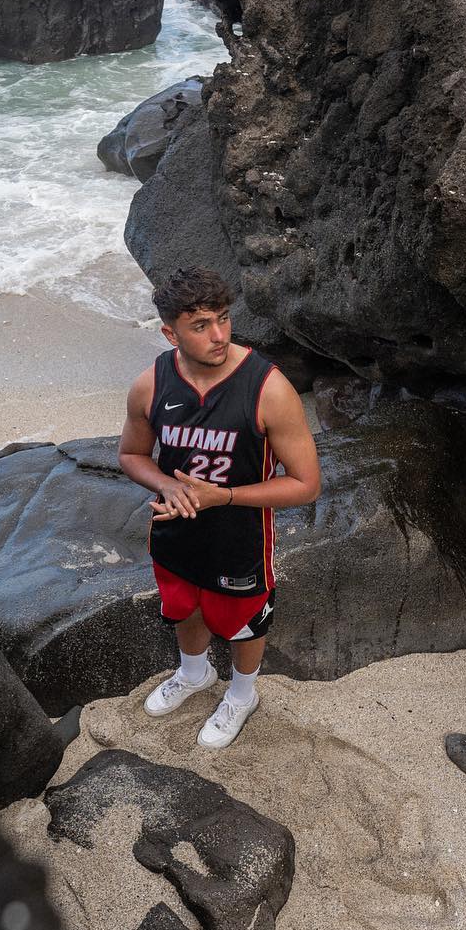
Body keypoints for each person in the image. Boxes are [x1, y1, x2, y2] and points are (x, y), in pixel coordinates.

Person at [118, 266, 322, 748]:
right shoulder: (151, 384)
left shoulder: (268, 388)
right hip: (174, 531)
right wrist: (167, 484)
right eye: (200, 325)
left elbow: (307, 484)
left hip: (240, 538)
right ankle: (193, 675)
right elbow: (130, 455)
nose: (218, 335)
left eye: (223, 319)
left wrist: (224, 496)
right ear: (170, 332)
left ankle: (242, 693)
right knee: (182, 607)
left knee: (244, 622)